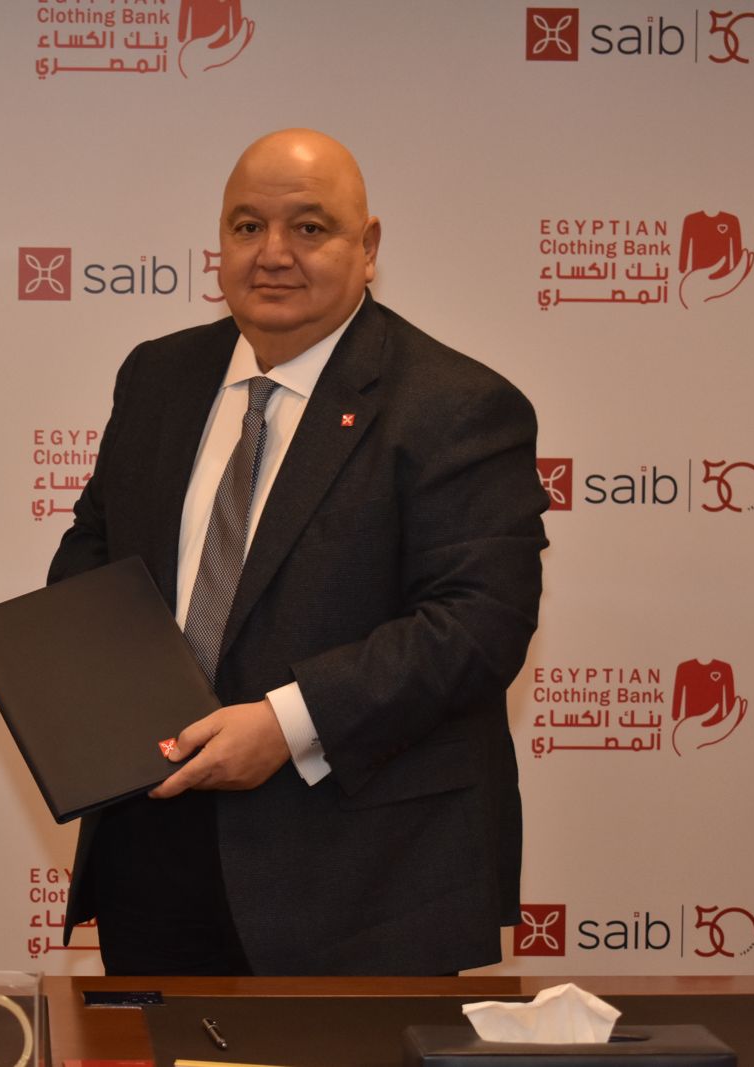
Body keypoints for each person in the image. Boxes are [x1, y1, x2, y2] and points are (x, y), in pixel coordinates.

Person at [48, 130, 548, 976]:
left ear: (369, 247)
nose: (273, 253)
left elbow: (478, 624)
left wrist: (287, 723)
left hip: (362, 880)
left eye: (310, 228)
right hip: (153, 850)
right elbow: (92, 555)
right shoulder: (157, 377)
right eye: (247, 227)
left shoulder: (457, 405)